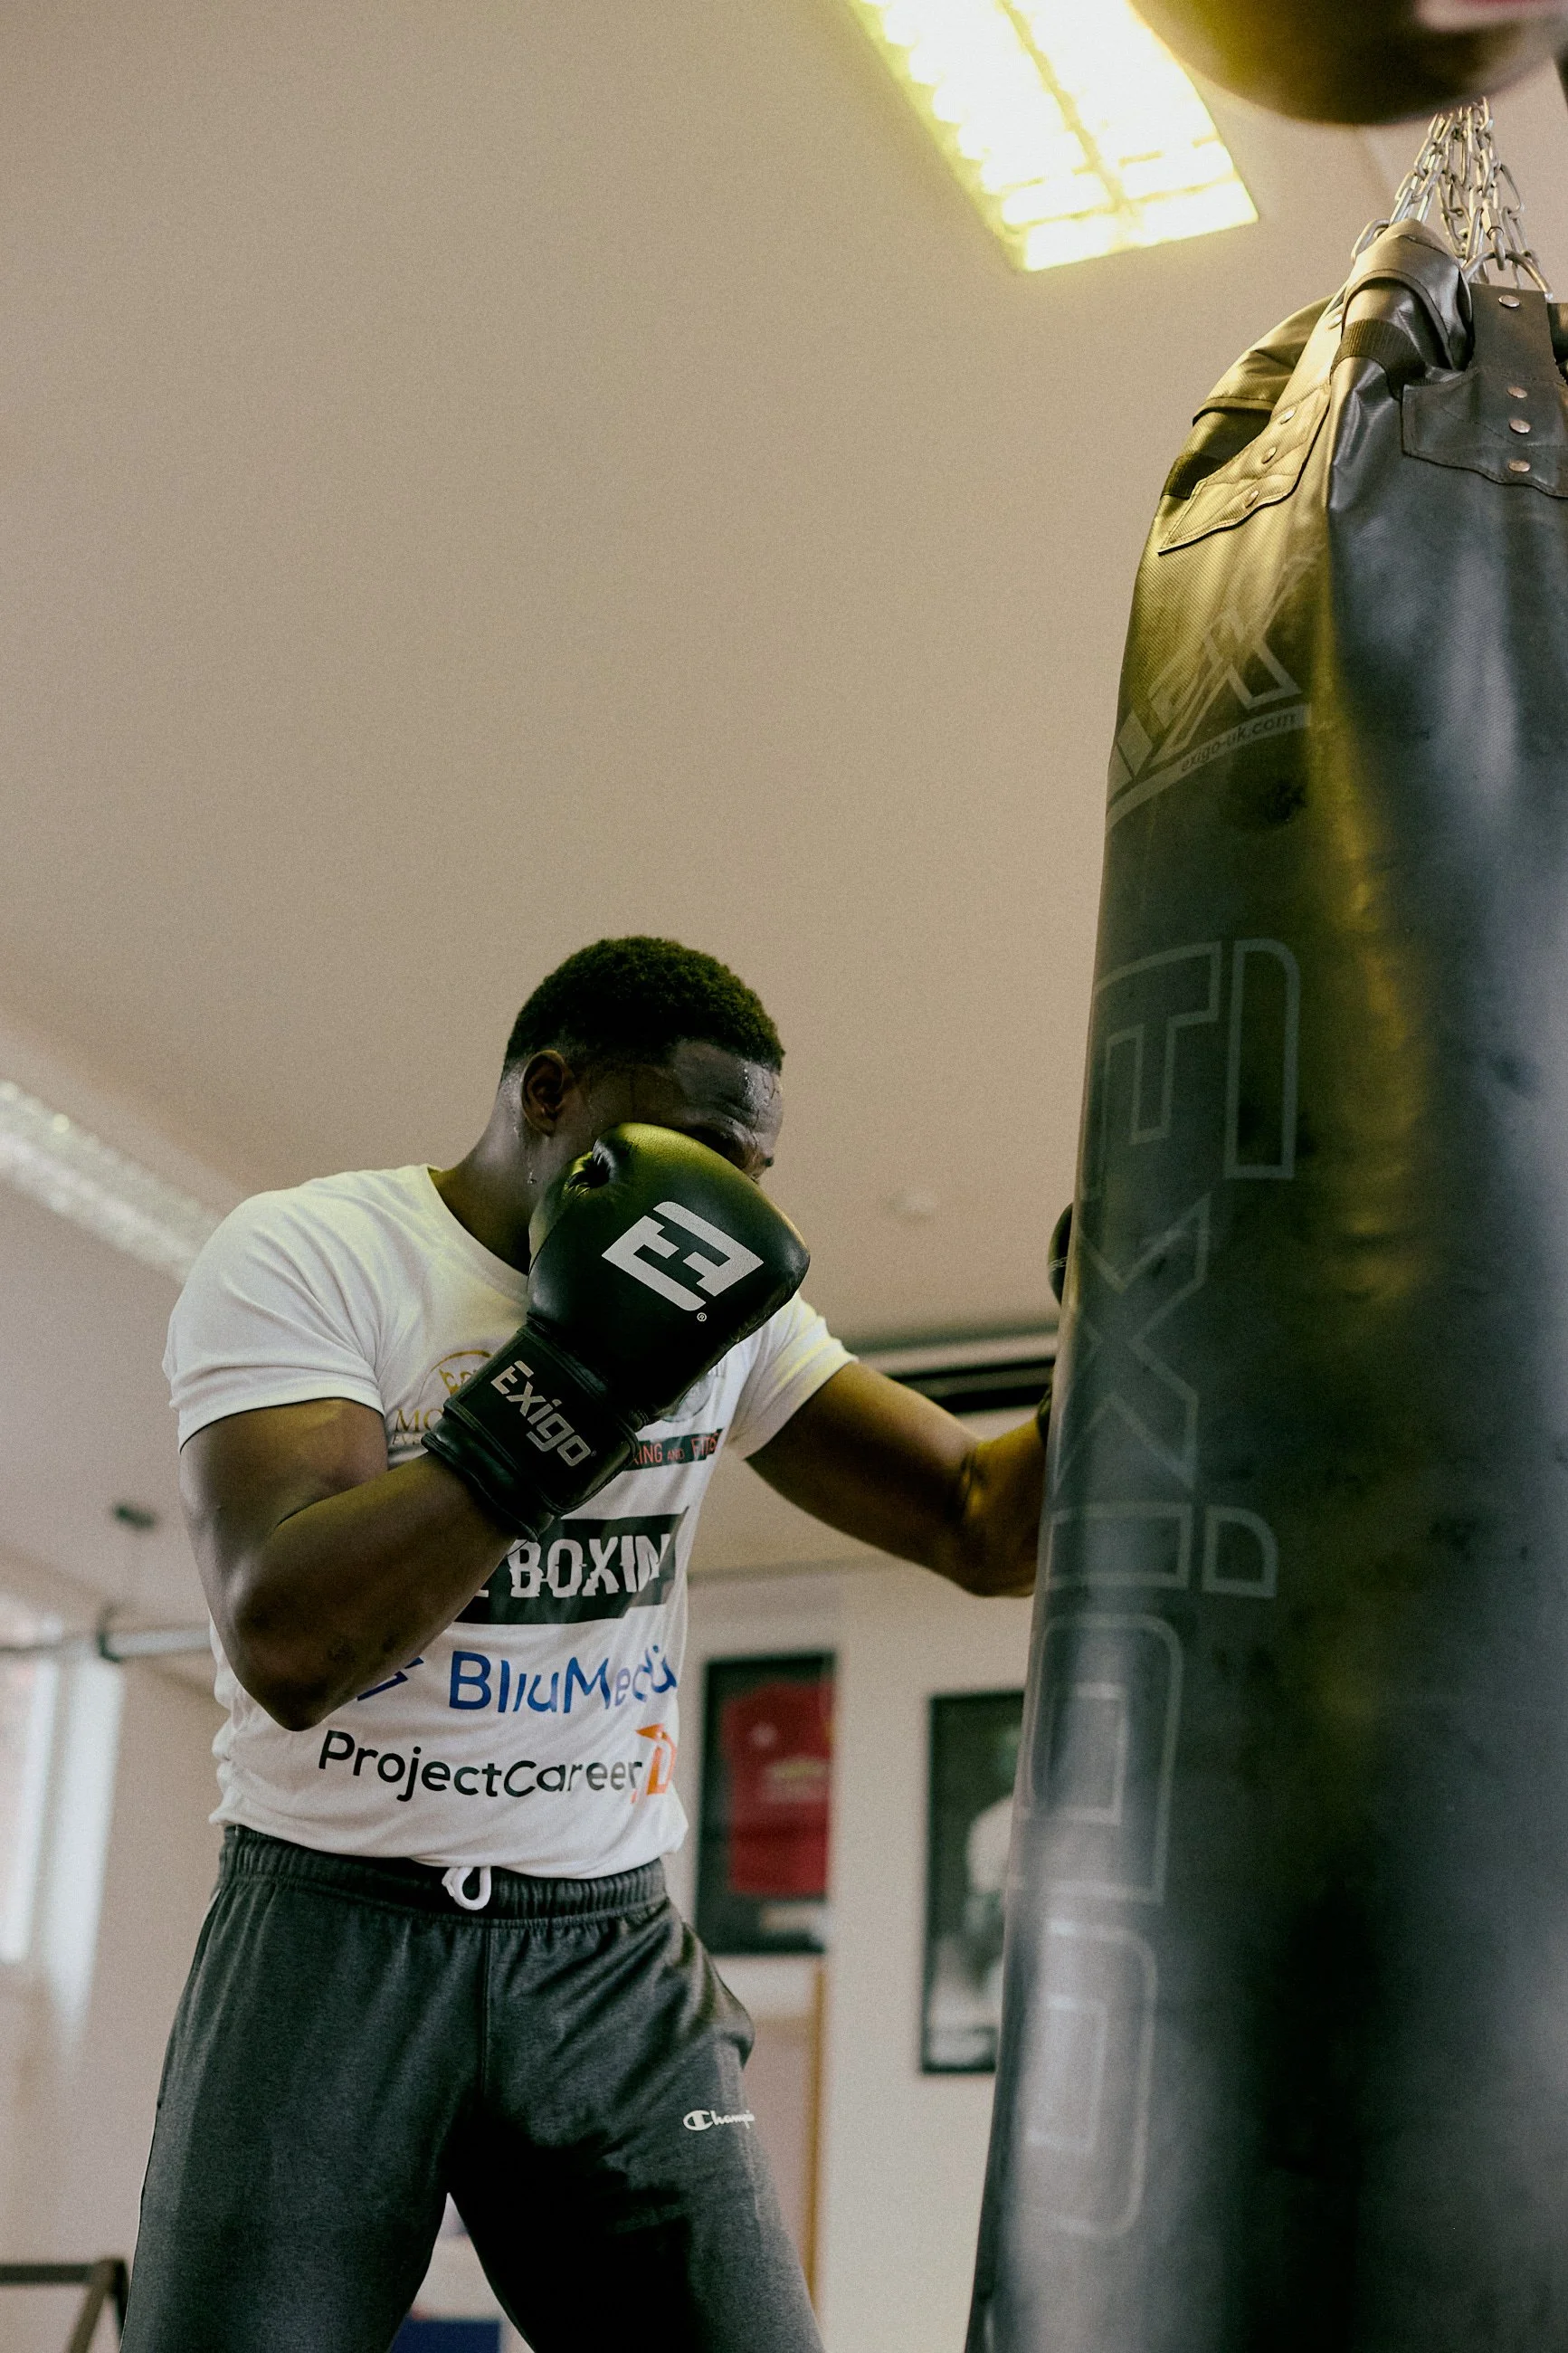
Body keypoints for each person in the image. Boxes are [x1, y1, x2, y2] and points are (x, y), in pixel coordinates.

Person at [124, 935, 1046, 2353]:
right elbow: (293, 1645)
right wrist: (570, 1387)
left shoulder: (733, 1319)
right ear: (549, 1093)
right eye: (694, 1146)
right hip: (329, 1933)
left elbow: (986, 1527)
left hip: (603, 1948)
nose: (719, 1200)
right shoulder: (317, 1253)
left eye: (751, 1169)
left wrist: (1133, 1320)